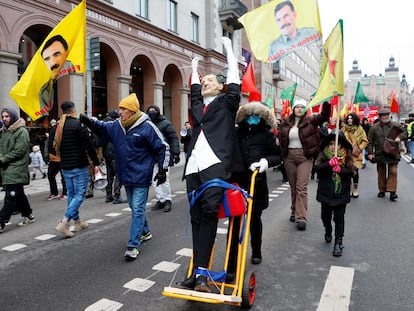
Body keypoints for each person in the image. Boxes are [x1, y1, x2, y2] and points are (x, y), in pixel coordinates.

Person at [175, 37, 242, 293]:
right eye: (203, 82)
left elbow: (234, 82)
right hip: (193, 166)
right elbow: (193, 90)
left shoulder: (227, 104)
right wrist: (193, 70)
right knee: (196, 218)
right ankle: (197, 273)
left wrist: (229, 53)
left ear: (221, 86)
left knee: (209, 214)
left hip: (215, 164)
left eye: (210, 81)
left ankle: (202, 274)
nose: (205, 83)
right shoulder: (198, 107)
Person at [79, 93, 169, 260]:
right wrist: (89, 122)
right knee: (137, 209)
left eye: (123, 108)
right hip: (125, 175)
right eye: (119, 108)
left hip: (142, 175)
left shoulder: (147, 126)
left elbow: (163, 147)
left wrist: (163, 170)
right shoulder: (116, 125)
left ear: (132, 111)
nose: (119, 111)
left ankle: (133, 245)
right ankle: (146, 232)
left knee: (137, 209)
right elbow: (102, 128)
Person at [228, 101, 281, 270]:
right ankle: (232, 261)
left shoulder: (267, 135)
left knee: (254, 220)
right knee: (234, 221)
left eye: (256, 116)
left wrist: (265, 162)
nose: (253, 119)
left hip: (256, 182)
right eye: (250, 115)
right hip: (236, 183)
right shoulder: (236, 133)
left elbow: (277, 155)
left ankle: (256, 251)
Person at [277, 99, 331, 231]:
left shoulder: (311, 121)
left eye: (302, 107)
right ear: (293, 109)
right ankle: (294, 210)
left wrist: (327, 103)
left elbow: (324, 116)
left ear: (305, 109)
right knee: (294, 186)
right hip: (289, 157)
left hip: (304, 157)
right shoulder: (285, 123)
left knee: (301, 187)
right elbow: (280, 138)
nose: (300, 109)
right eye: (297, 107)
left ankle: (301, 217)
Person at [54, 101, 100, 238]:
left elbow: (52, 144)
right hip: (79, 165)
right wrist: (96, 162)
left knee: (72, 195)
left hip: (65, 166)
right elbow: (89, 145)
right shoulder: (78, 125)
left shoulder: (58, 126)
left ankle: (78, 222)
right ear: (73, 110)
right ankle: (65, 222)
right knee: (80, 194)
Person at [314, 132, 354, 257]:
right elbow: (318, 170)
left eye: (336, 144)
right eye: (331, 144)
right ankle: (328, 229)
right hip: (326, 193)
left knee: (339, 219)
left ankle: (338, 242)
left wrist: (341, 170)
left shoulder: (346, 157)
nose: (333, 147)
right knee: (325, 217)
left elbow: (352, 172)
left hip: (341, 194)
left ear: (341, 146)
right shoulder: (323, 156)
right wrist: (329, 164)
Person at [0, 108, 35, 233]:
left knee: (11, 196)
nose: (4, 119)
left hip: (17, 167)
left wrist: (3, 159)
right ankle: (29, 215)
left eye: (7, 116)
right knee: (18, 194)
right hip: (7, 167)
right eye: (3, 116)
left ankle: (1, 221)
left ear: (13, 117)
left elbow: (19, 150)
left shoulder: (22, 131)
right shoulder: (4, 131)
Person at [367, 109, 407, 201]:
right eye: (383, 116)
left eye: (387, 115)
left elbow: (405, 132)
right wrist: (370, 153)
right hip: (380, 153)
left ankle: (392, 192)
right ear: (380, 117)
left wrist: (399, 137)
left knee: (393, 171)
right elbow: (370, 141)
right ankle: (382, 190)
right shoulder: (374, 127)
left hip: (393, 152)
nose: (385, 117)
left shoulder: (396, 125)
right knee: (381, 172)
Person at [146, 105, 180, 212]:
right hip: (152, 157)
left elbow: (173, 138)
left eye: (154, 111)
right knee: (154, 180)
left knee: (164, 179)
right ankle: (161, 200)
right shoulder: (147, 124)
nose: (152, 112)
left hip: (164, 156)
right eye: (150, 111)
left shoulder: (165, 124)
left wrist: (176, 153)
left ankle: (167, 200)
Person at [40, 35, 76, 112]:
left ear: (66, 53)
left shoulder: (69, 66)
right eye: (47, 58)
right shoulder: (43, 91)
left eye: (56, 54)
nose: (53, 61)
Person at [102, 109, 127, 204]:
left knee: (109, 174)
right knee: (118, 174)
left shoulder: (103, 125)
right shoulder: (114, 126)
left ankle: (108, 195)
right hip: (114, 152)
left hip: (106, 152)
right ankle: (117, 195)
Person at [341, 113, 368, 198]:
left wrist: (359, 149)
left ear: (355, 119)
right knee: (347, 172)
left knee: (355, 172)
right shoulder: (343, 129)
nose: (349, 120)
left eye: (351, 118)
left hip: (356, 154)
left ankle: (355, 189)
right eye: (348, 118)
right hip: (346, 153)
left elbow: (365, 140)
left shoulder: (360, 129)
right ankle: (348, 188)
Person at [46, 119, 67, 200]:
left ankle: (65, 192)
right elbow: (49, 143)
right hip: (54, 157)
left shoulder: (64, 130)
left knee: (63, 176)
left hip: (62, 157)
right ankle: (55, 192)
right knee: (51, 174)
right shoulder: (54, 129)